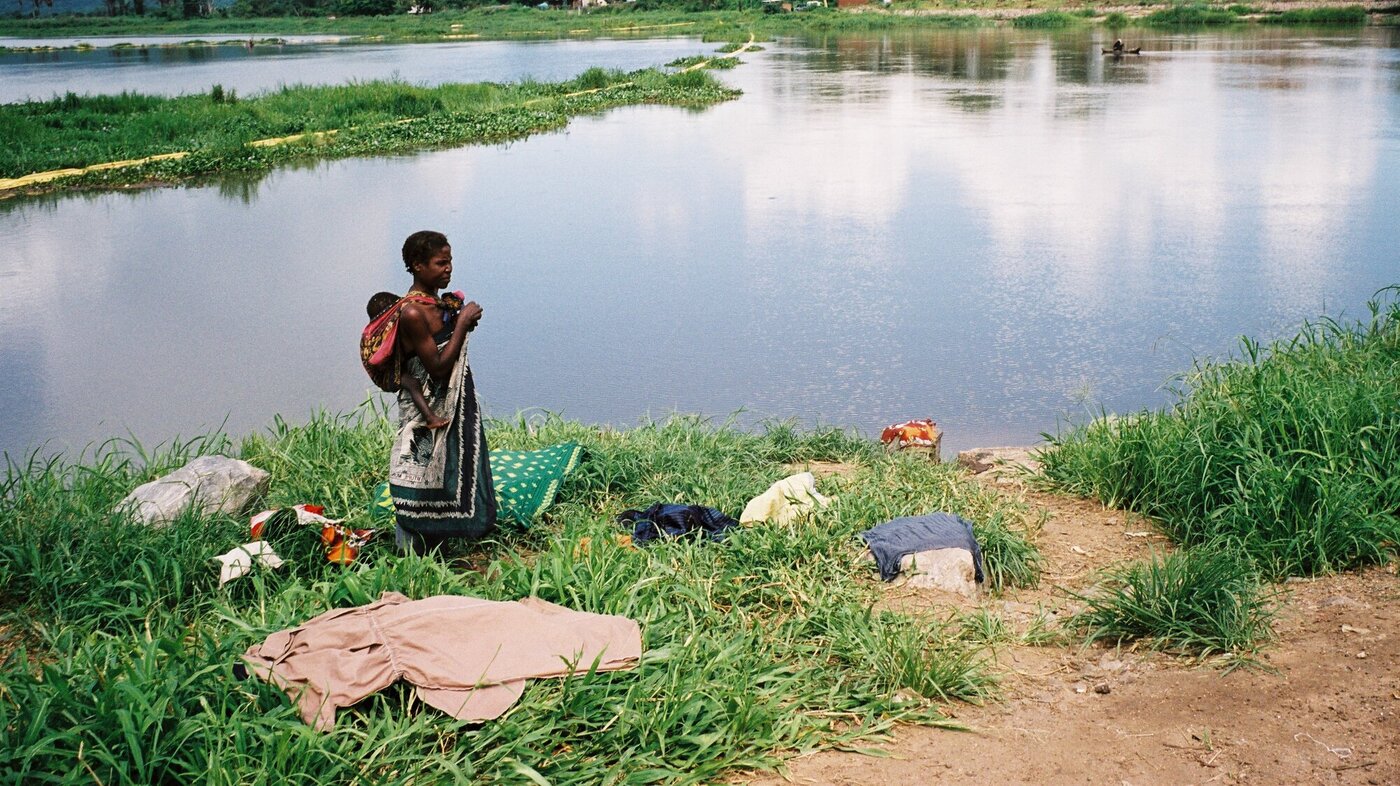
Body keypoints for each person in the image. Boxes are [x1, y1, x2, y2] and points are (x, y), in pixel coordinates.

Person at [385, 230, 496, 553]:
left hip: (450, 402)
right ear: (418, 266)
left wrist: (460, 322)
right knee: (419, 468)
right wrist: (461, 323)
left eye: (450, 262)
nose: (448, 269)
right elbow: (436, 368)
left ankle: (441, 536)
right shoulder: (414, 313)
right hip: (424, 406)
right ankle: (410, 543)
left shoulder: (436, 304)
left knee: (449, 461)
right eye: (440, 263)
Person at [365, 292, 449, 430]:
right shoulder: (381, 337)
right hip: (385, 375)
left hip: (390, 369)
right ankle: (430, 418)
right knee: (413, 384)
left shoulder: (372, 334)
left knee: (413, 384)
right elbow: (379, 359)